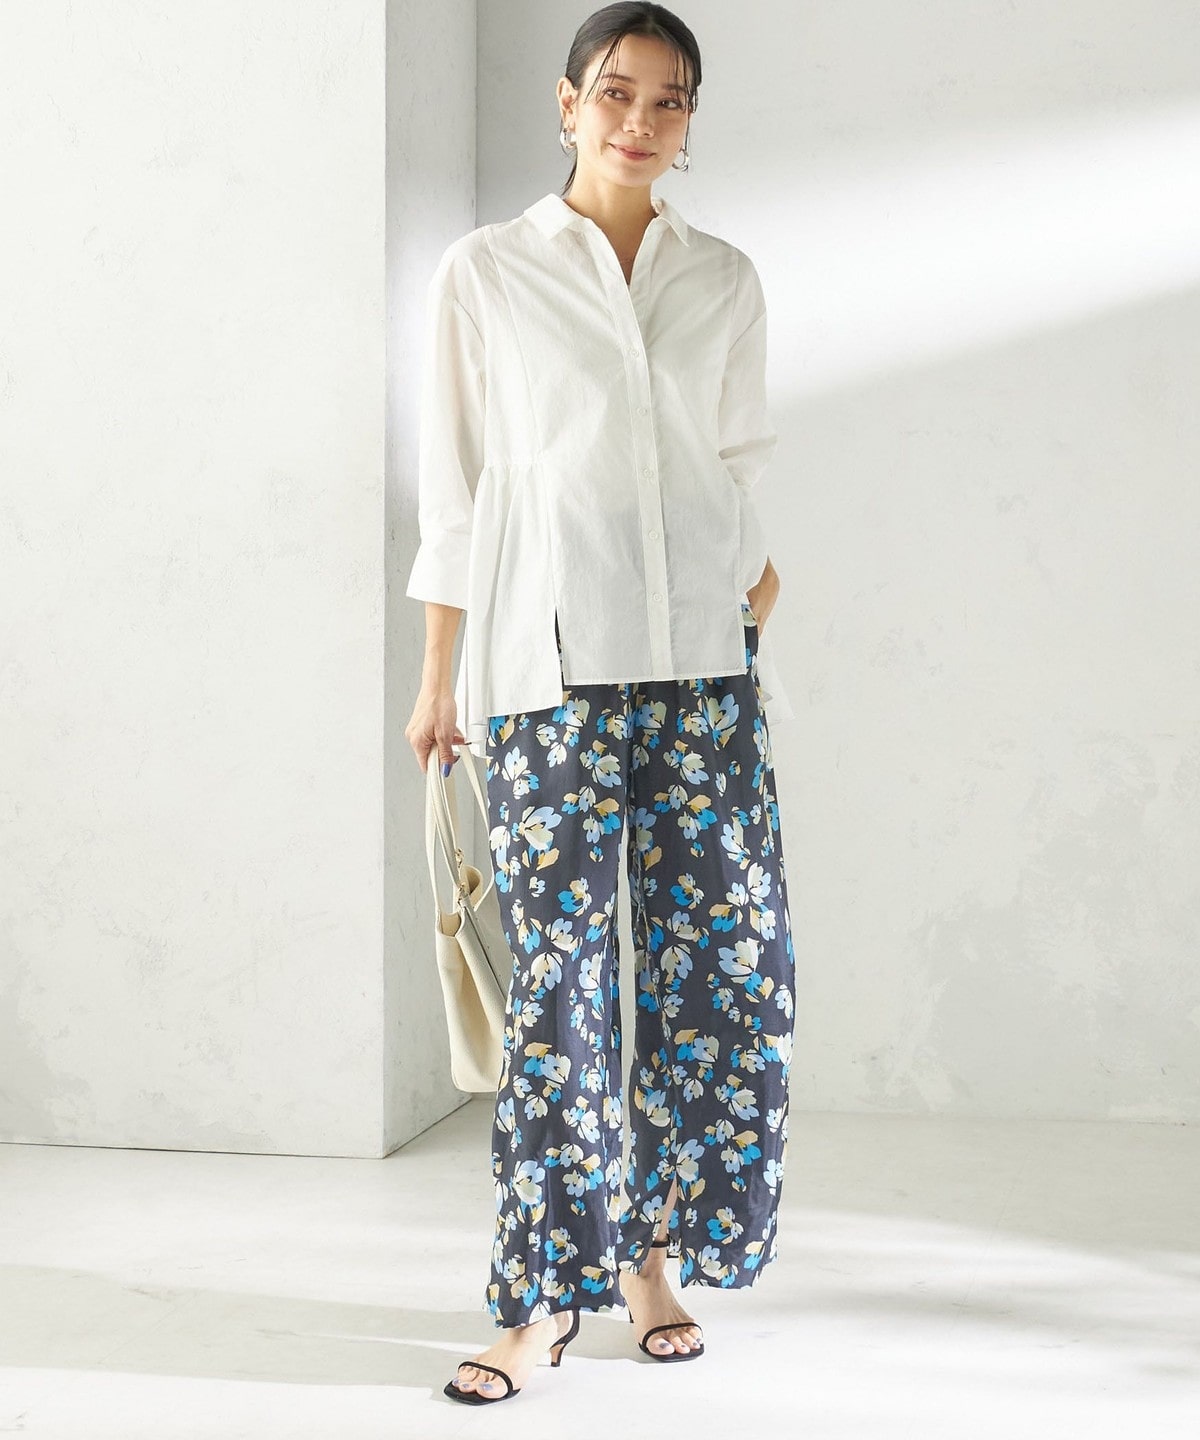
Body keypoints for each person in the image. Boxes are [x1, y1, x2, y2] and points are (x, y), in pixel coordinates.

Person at [405, 1, 797, 1407]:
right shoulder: (487, 271)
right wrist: (439, 676)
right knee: (562, 993)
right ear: (568, 103)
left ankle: (649, 1264)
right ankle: (536, 1304)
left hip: (703, 675)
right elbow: (457, 486)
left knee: (716, 979)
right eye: (617, 91)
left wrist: (751, 603)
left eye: (669, 100)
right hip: (544, 673)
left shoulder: (724, 278)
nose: (641, 119)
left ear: (689, 126)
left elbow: (736, 461)